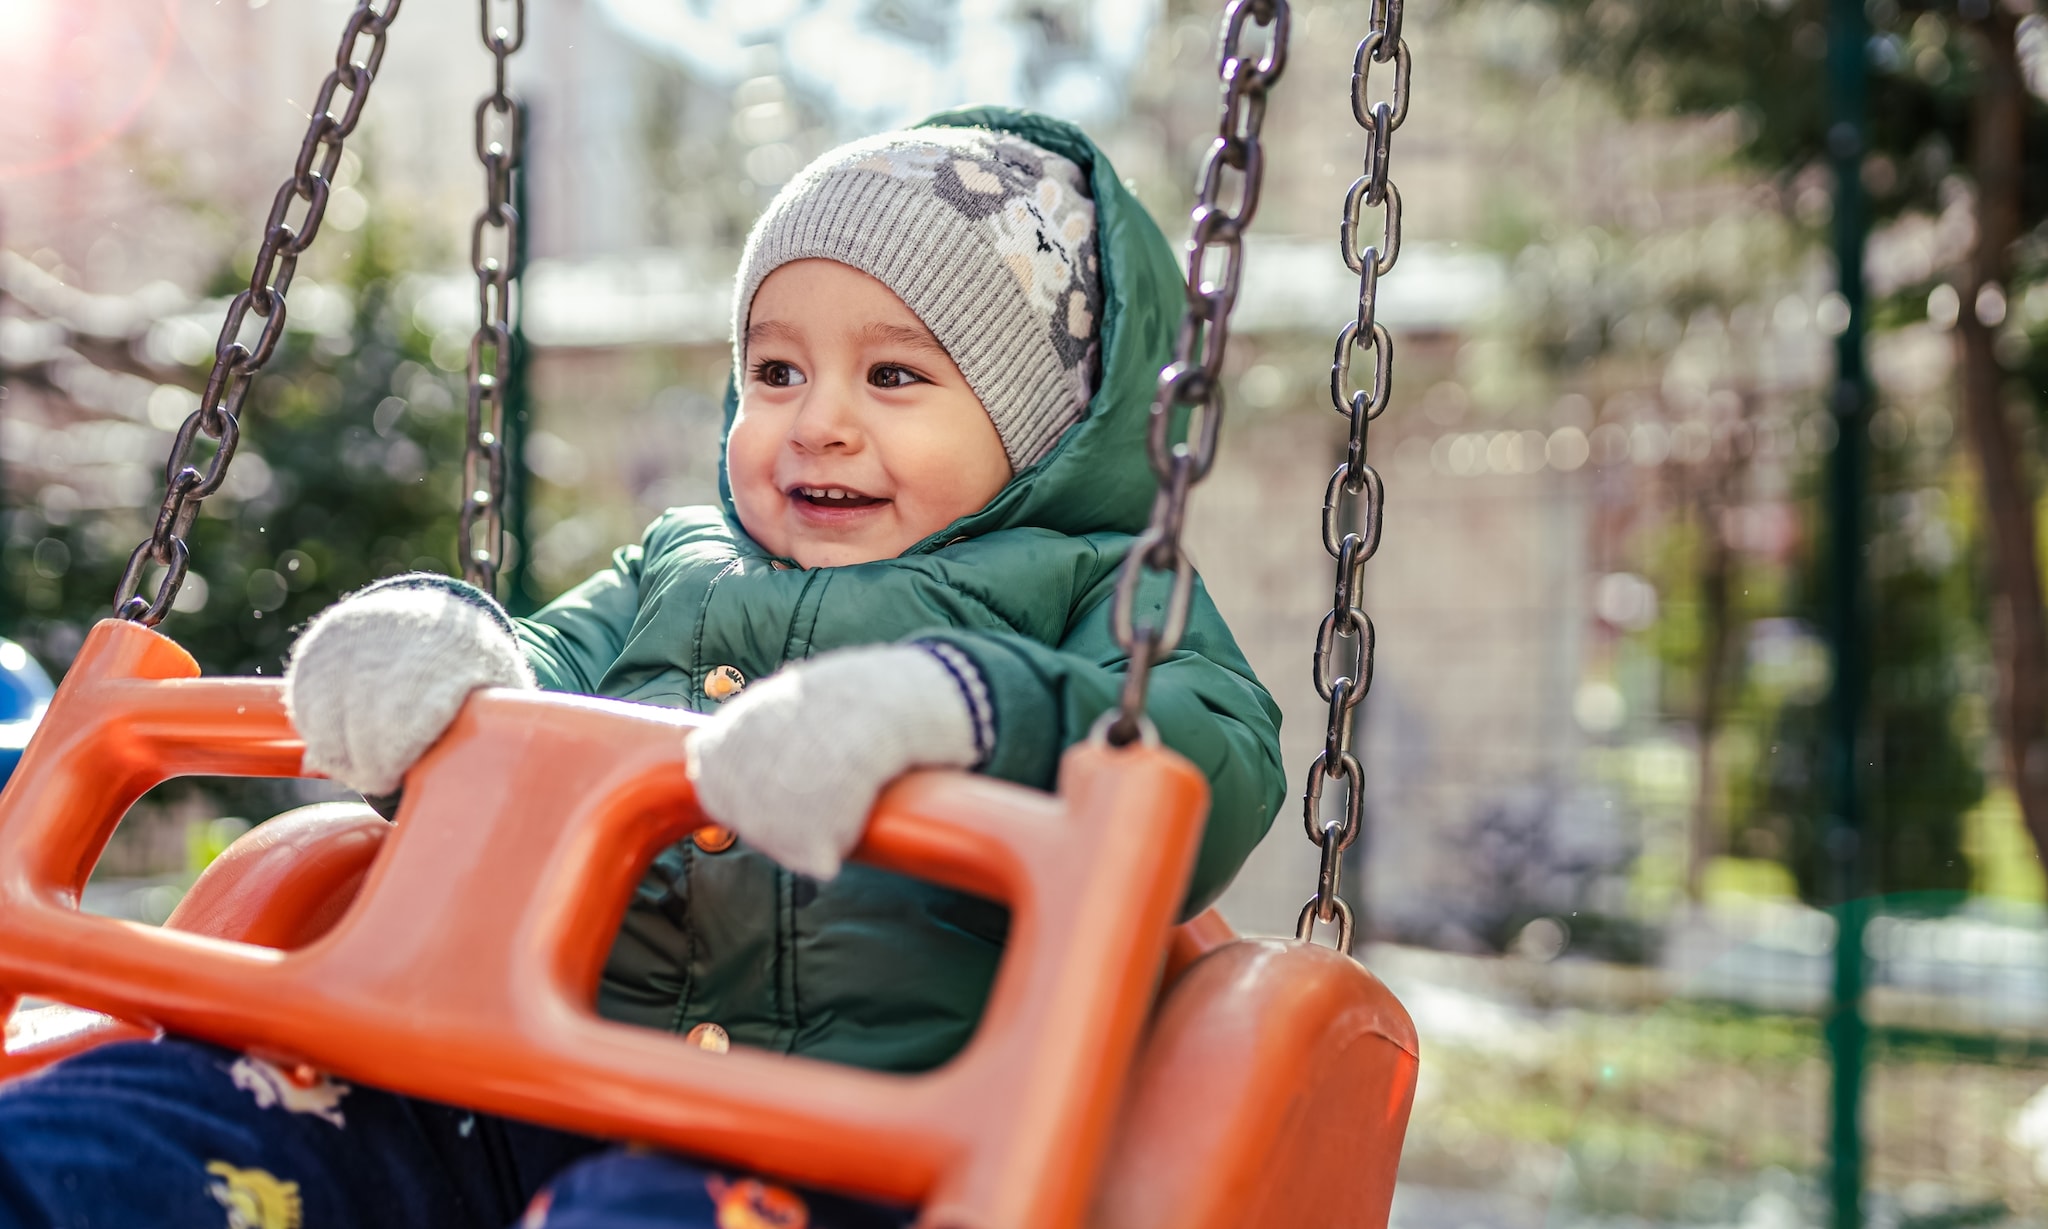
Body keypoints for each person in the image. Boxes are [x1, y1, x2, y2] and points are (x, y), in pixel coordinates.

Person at [0, 107, 1284, 1229]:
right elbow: (527, 672)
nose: (816, 417)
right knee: (165, 1118)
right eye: (774, 369)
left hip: (834, 1152)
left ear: (1040, 428)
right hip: (488, 1083)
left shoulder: (1095, 592)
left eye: (895, 373)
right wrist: (435, 644)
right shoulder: (679, 562)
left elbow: (1207, 753)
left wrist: (953, 706)